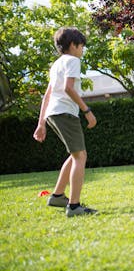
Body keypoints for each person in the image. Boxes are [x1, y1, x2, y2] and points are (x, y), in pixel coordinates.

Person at [33, 27, 98, 217]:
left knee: (75, 154)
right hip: (65, 112)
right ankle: (74, 206)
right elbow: (68, 88)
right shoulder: (72, 61)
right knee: (80, 156)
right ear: (73, 45)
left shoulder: (56, 64)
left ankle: (58, 196)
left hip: (53, 113)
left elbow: (47, 95)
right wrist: (87, 111)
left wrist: (41, 123)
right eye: (81, 46)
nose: (82, 51)